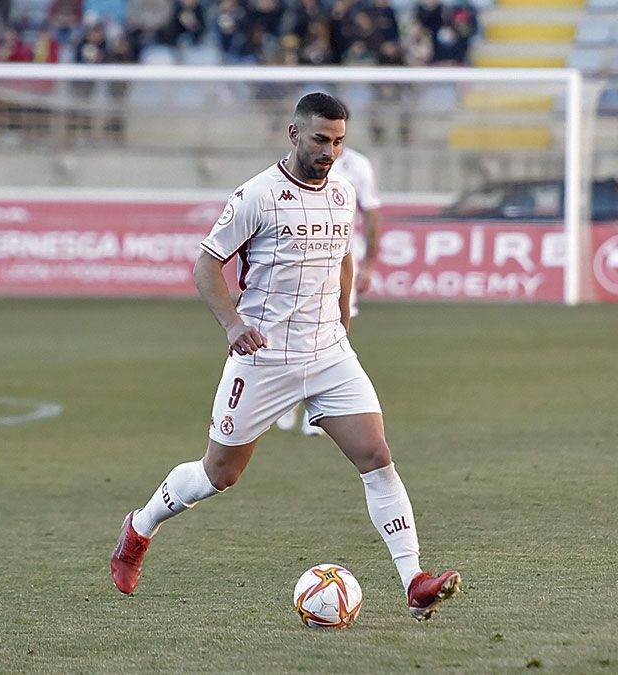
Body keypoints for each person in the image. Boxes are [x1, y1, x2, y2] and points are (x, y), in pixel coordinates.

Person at [109, 92, 461, 622]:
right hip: (265, 357)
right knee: (218, 474)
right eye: (321, 139)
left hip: (329, 354)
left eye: (339, 141)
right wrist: (232, 324)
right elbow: (206, 267)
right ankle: (139, 528)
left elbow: (343, 255)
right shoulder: (256, 195)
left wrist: (342, 320)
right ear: (294, 134)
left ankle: (413, 580)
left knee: (376, 457)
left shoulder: (343, 194)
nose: (330, 151)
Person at [276, 144, 383, 437]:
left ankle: (315, 411)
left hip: (339, 255)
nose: (329, 145)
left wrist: (369, 263)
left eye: (337, 137)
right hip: (302, 258)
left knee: (331, 331)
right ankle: (286, 401)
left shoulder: (357, 166)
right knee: (293, 327)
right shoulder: (297, 161)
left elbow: (371, 211)